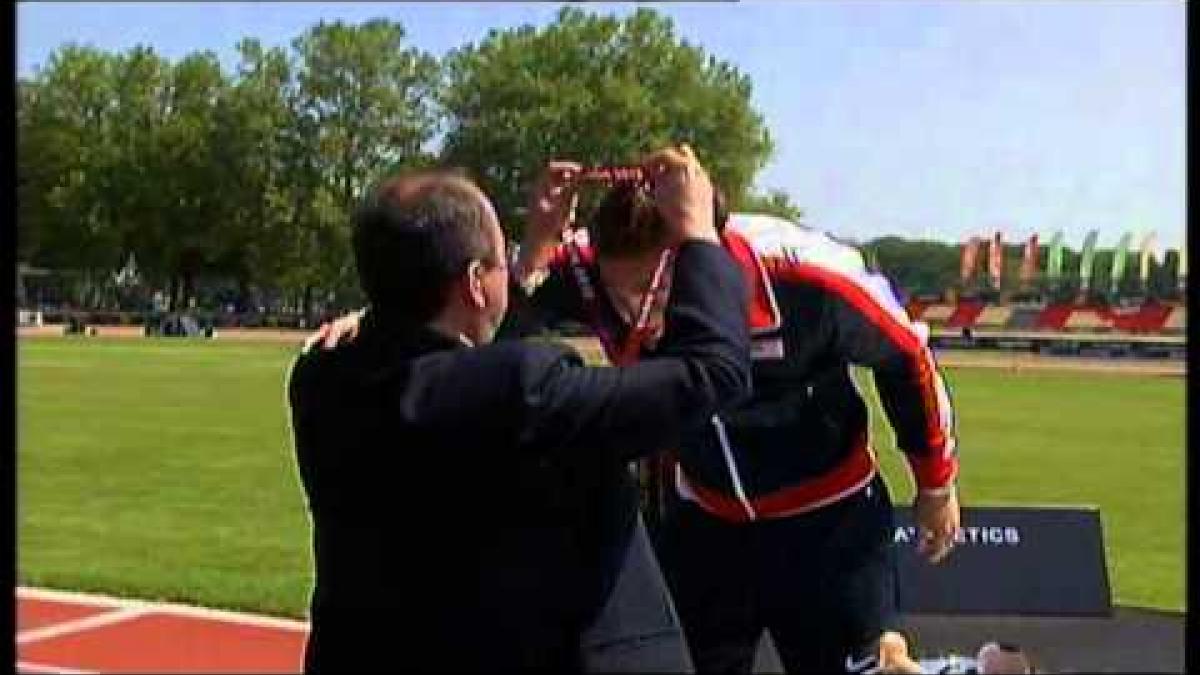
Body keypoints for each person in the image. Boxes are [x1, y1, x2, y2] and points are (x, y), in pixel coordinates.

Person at [287, 146, 751, 672]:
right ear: (472, 283)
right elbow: (712, 374)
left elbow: (465, 375)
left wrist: (533, 254)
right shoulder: (527, 390)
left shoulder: (322, 379)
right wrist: (697, 234)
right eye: (498, 259)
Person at [501, 178, 961, 674]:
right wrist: (532, 255)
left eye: (647, 291)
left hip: (828, 523)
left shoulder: (804, 274)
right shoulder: (588, 271)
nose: (636, 315)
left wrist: (934, 484)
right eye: (617, 294)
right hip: (703, 520)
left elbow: (905, 357)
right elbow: (497, 340)